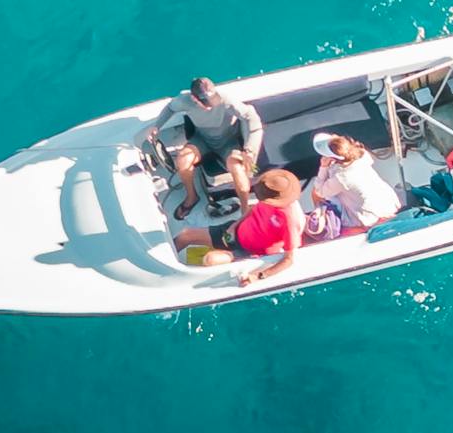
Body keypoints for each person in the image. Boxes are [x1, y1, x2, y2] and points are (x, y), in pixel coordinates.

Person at [174, 168, 317, 289]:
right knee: (185, 235)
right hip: (235, 232)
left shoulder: (291, 220)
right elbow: (253, 209)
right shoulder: (268, 199)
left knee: (210, 260)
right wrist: (234, 225)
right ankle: (166, 271)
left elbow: (289, 259)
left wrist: (258, 275)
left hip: (249, 252)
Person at [156, 77, 264, 220]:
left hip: (228, 143)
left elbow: (250, 117)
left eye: (213, 101)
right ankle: (192, 197)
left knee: (237, 169)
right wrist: (156, 126)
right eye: (206, 104)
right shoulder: (183, 101)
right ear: (194, 98)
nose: (211, 106)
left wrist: (249, 150)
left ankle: (244, 209)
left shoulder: (226, 99)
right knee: (182, 160)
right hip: (203, 140)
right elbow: (170, 108)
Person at [312, 133, 402, 230]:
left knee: (316, 193)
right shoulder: (362, 156)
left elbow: (319, 191)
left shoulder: (341, 178)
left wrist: (323, 167)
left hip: (369, 217)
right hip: (387, 204)